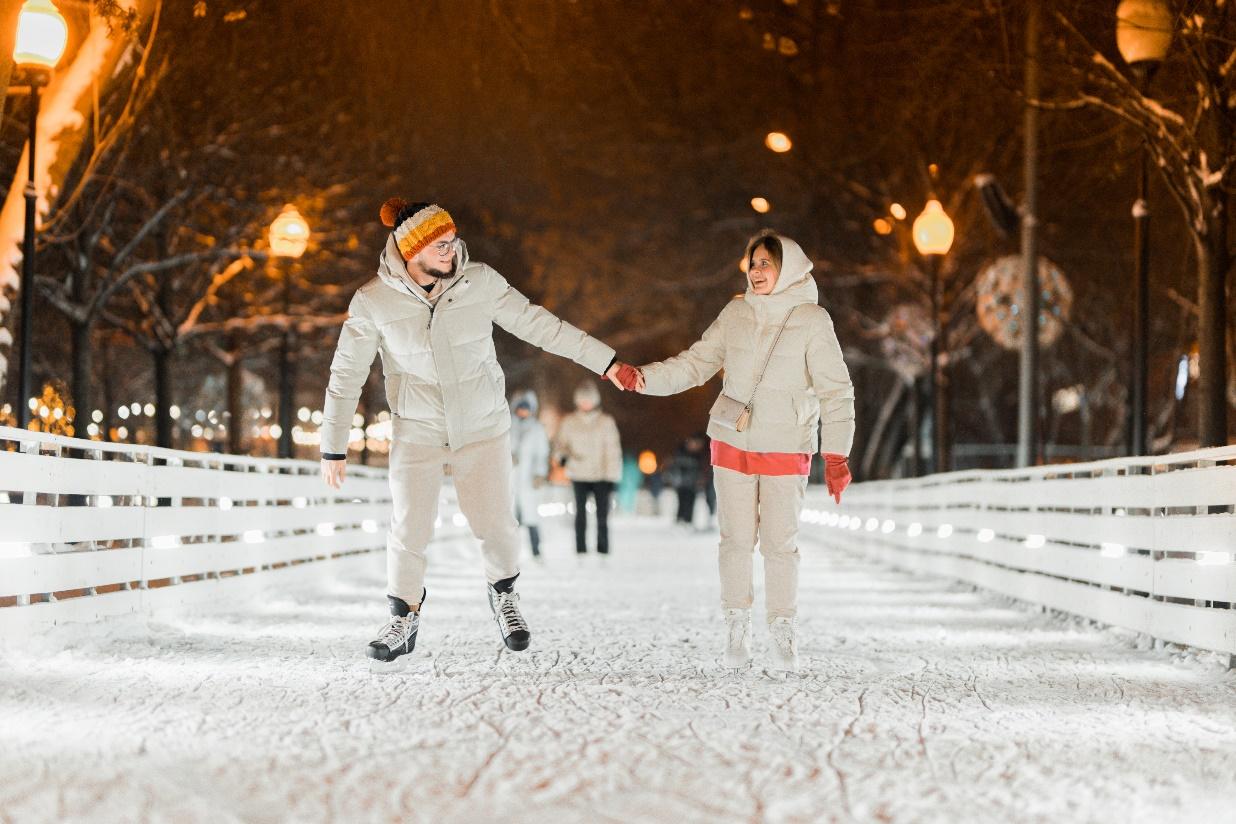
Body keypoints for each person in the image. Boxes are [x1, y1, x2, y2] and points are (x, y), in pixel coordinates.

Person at [319, 199, 636, 662]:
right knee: (409, 528)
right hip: (418, 431)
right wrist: (333, 447)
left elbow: (541, 326)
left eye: (452, 241)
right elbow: (345, 374)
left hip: (482, 427)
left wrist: (606, 362)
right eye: (441, 245)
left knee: (497, 525)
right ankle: (402, 618)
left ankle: (504, 595)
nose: (452, 250)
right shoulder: (373, 302)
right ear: (413, 250)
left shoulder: (479, 282)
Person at [627, 230, 854, 673]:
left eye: (766, 263)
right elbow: (696, 363)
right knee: (734, 541)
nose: (757, 271)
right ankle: (737, 626)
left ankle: (783, 630)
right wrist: (644, 378)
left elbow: (836, 391)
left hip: (786, 446)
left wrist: (837, 454)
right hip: (731, 441)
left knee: (779, 545)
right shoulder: (735, 312)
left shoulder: (812, 319)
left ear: (788, 267)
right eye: (752, 263)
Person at [553, 381, 622, 561]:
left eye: (588, 400)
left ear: (595, 401)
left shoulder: (605, 422)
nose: (585, 404)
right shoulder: (569, 422)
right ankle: (581, 550)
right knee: (580, 514)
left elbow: (613, 451)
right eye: (582, 400)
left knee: (602, 515)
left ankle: (603, 550)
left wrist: (613, 476)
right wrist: (562, 457)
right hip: (578, 473)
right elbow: (560, 444)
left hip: (601, 476)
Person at [509, 389, 549, 562]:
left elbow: (542, 454)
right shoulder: (508, 426)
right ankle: (510, 552)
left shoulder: (537, 429)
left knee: (531, 516)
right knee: (510, 518)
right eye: (520, 408)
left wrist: (540, 473)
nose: (522, 412)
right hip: (510, 478)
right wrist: (508, 457)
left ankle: (536, 550)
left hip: (528, 479)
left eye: (526, 408)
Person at [668, 433, 709, 529]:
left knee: (691, 502)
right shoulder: (680, 452)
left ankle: (688, 521)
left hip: (692, 484)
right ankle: (680, 520)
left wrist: (700, 479)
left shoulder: (698, 455)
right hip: (681, 483)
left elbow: (700, 469)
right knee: (682, 501)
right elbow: (675, 466)